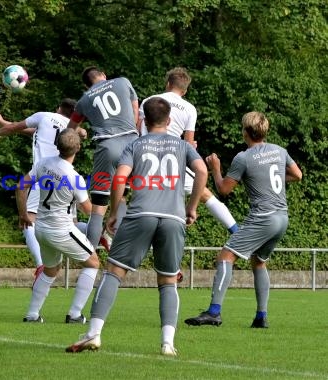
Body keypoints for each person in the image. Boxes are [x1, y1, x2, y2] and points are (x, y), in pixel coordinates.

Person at [66, 97, 208, 356]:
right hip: (174, 218)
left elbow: (120, 177)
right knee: (167, 281)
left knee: (114, 272)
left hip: (141, 213)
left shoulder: (135, 144)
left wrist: (115, 209)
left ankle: (93, 334)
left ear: (143, 120)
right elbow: (202, 171)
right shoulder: (182, 145)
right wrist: (192, 207)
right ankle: (167, 343)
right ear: (169, 121)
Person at [184, 111, 302, 328]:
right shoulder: (279, 151)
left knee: (225, 257)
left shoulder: (244, 157)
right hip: (282, 218)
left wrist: (215, 169)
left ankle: (213, 312)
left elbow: (223, 189)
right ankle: (261, 317)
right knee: (258, 261)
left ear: (246, 132)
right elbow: (297, 175)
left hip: (263, 218)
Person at [0, 98, 84, 281]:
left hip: (44, 174)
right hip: (67, 176)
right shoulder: (72, 129)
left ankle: (41, 263)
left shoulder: (43, 116)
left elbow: (15, 128)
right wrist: (3, 122)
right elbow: (34, 132)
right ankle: (96, 233)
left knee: (29, 220)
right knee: (71, 222)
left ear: (58, 107)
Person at [139, 67, 239, 234]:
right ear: (184, 91)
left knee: (127, 197)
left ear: (168, 83)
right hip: (173, 158)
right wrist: (191, 146)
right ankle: (237, 234)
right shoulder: (189, 109)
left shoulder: (150, 100)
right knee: (206, 196)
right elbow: (188, 142)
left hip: (145, 157)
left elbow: (139, 130)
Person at [17, 128, 99, 324]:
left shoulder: (43, 164)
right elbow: (89, 210)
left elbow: (21, 186)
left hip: (41, 228)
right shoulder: (74, 177)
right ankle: (75, 314)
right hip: (61, 229)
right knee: (93, 263)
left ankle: (32, 315)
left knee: (50, 270)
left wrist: (23, 214)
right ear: (78, 148)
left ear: (57, 145)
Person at [67, 66, 140, 252]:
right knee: (122, 196)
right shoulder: (123, 82)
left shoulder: (84, 100)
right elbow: (135, 110)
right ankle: (118, 250)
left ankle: (90, 259)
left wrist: (80, 133)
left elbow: (70, 129)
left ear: (86, 85)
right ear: (103, 75)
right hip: (132, 144)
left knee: (99, 206)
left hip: (107, 146)